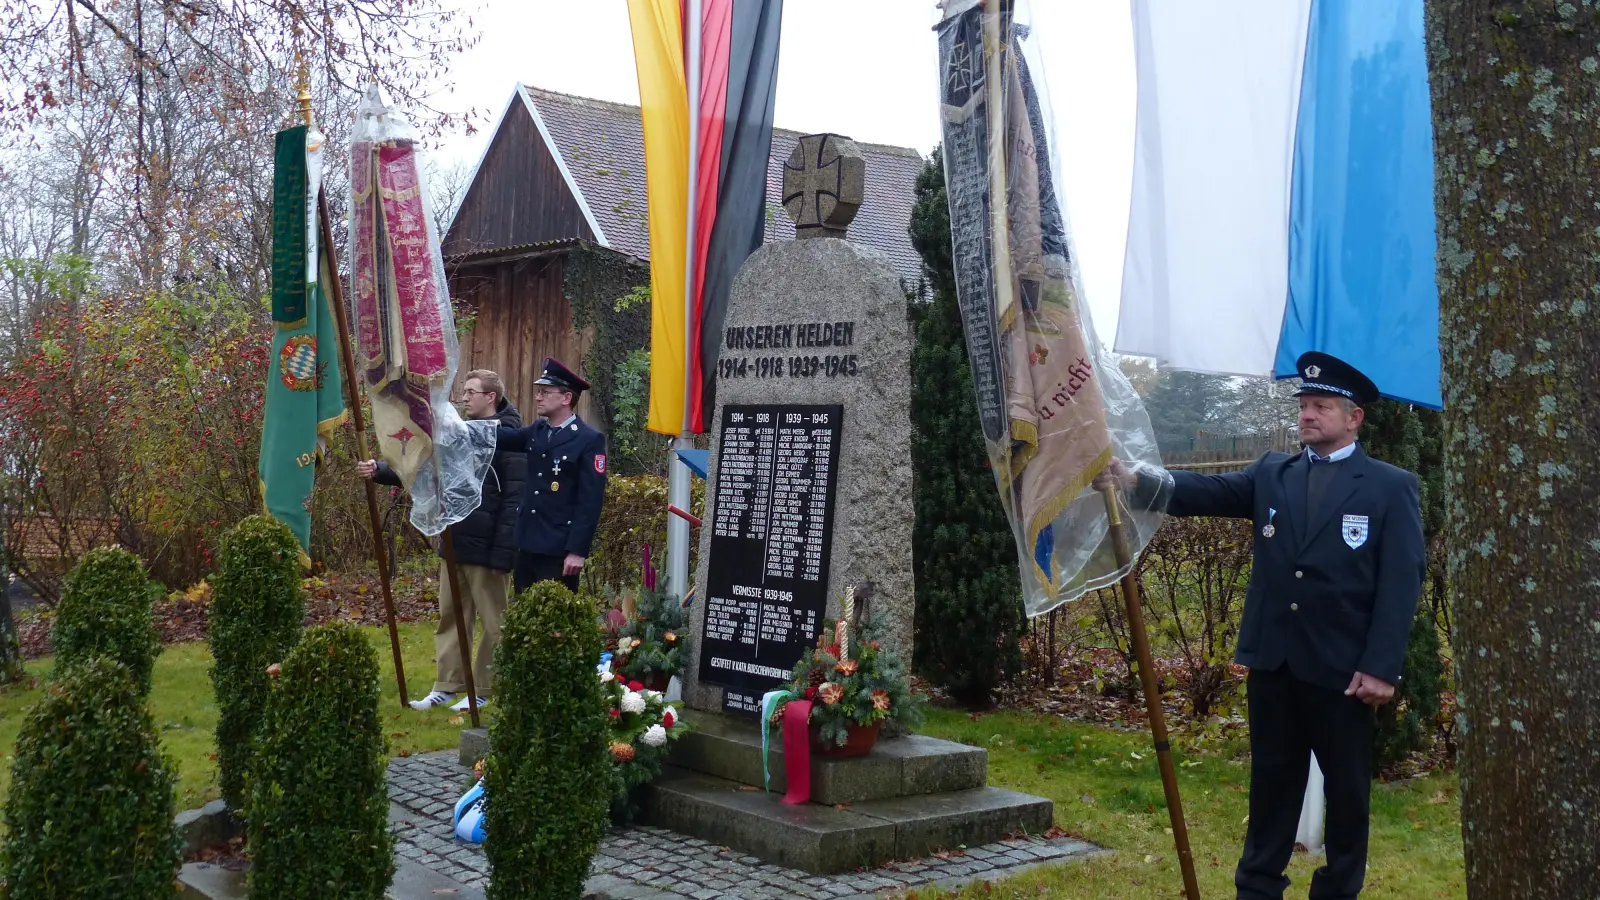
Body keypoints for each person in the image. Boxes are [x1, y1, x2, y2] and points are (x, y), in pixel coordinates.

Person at [1104, 351, 1425, 900]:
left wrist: (1380, 666)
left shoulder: (1389, 486)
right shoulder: (1272, 473)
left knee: (1348, 793)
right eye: (1304, 405)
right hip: (1275, 663)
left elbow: (1402, 580)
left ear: (1354, 418)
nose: (1307, 414)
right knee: (1272, 784)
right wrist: (1134, 479)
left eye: (1321, 406)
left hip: (1343, 671)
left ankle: (1337, 890)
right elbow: (1207, 492)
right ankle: (1257, 887)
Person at [357, 370, 526, 712]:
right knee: (452, 615)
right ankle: (448, 685)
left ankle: (486, 687)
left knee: (495, 622)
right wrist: (381, 470)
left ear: (491, 397)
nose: (464, 397)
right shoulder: (458, 432)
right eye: (464, 390)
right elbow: (427, 469)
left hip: (488, 548)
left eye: (472, 392)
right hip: (454, 540)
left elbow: (514, 501)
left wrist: (503, 552)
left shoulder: (510, 438)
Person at [496, 357, 607, 595]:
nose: (538, 397)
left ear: (566, 398)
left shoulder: (588, 440)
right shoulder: (538, 430)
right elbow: (501, 438)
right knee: (524, 611)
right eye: (539, 392)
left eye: (545, 392)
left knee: (555, 615)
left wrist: (577, 550)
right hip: (528, 543)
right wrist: (457, 427)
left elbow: (590, 500)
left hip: (559, 549)